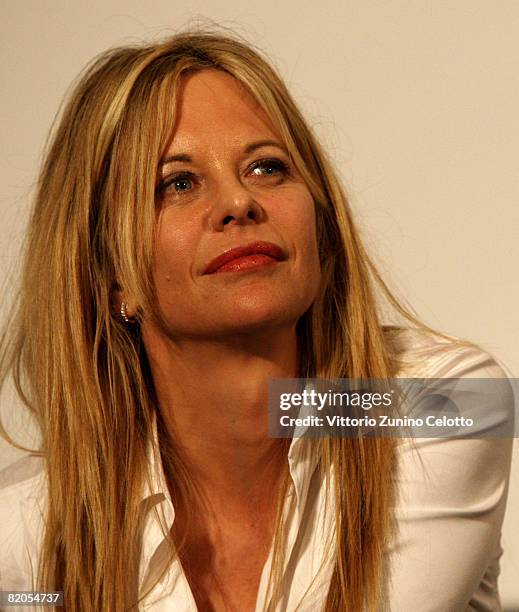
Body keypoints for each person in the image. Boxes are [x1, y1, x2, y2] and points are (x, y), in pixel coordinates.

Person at [0, 28, 514, 612]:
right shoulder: (25, 538)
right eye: (178, 183)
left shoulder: (449, 402)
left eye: (266, 168)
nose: (238, 203)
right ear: (113, 274)